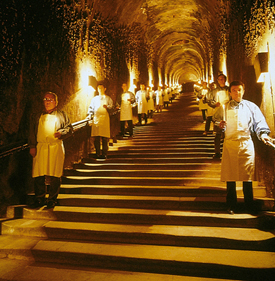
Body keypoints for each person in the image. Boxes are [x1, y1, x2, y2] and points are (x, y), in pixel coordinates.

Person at [213, 80, 273, 214]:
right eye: (234, 90)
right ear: (230, 92)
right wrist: (220, 126)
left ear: (243, 91)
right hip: (230, 144)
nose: (237, 92)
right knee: (230, 176)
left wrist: (263, 135)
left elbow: (259, 122)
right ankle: (231, 204)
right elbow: (216, 121)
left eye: (239, 90)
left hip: (246, 143)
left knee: (247, 176)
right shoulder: (224, 107)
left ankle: (249, 204)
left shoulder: (251, 107)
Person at [28, 92, 73, 209]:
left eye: (50, 99)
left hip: (55, 146)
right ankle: (39, 198)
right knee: (38, 174)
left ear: (56, 102)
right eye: (45, 99)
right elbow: (32, 132)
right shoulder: (37, 116)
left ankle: (52, 199)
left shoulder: (62, 115)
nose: (47, 101)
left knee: (55, 174)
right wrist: (32, 146)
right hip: (41, 147)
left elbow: (69, 128)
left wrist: (61, 133)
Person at [87, 81, 114, 160]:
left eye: (101, 88)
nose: (100, 90)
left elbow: (112, 107)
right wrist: (89, 115)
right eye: (99, 88)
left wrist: (108, 107)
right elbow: (91, 108)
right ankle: (97, 153)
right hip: (97, 118)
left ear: (104, 89)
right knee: (97, 137)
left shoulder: (108, 98)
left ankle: (104, 153)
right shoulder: (94, 99)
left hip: (105, 118)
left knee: (105, 137)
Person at [209, 74, 230, 159]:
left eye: (223, 79)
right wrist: (214, 104)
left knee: (227, 134)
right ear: (218, 80)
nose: (221, 80)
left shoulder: (229, 89)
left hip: (228, 113)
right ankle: (217, 152)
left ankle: (227, 152)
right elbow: (210, 101)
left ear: (225, 80)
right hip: (218, 113)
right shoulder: (214, 91)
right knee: (217, 134)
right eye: (220, 79)